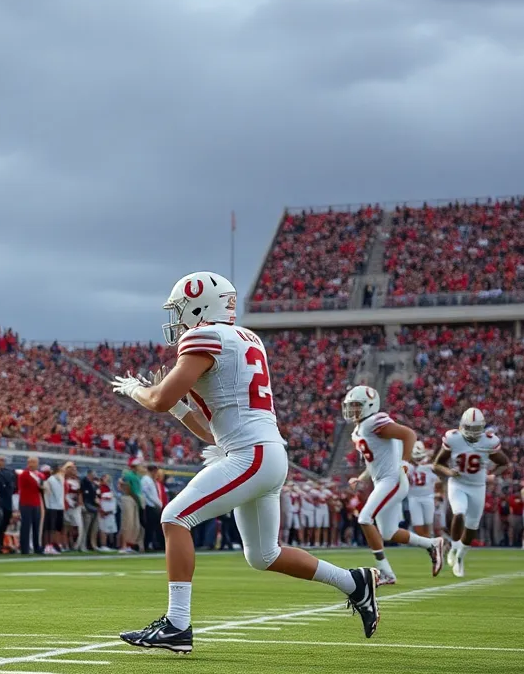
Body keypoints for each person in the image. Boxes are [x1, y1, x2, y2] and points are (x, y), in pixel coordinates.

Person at [112, 271, 379, 652]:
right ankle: (354, 582)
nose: (178, 318)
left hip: (251, 455)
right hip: (263, 453)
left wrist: (136, 388)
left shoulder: (203, 336)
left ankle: (177, 624)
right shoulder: (246, 339)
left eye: (181, 308)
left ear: (201, 303)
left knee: (174, 518)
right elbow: (211, 432)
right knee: (264, 555)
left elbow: (157, 399)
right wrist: (179, 409)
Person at [342, 386, 445, 586]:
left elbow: (409, 434)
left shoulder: (374, 421)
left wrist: (405, 463)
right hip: (382, 480)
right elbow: (374, 463)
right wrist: (361, 478)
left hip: (392, 480)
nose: (353, 410)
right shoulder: (360, 429)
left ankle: (386, 572)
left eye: (357, 406)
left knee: (364, 519)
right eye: (351, 406)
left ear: (370, 405)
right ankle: (432, 544)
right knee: (389, 532)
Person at [433, 408, 510, 577]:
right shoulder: (454, 438)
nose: (472, 433)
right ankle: (453, 548)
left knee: (472, 526)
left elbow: (504, 463)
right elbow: (437, 464)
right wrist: (449, 472)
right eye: (469, 428)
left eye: (476, 429)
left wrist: (492, 475)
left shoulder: (489, 441)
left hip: (477, 486)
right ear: (462, 425)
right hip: (458, 484)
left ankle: (460, 557)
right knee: (459, 513)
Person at [405, 441, 438, 538]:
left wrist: (438, 494)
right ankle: (427, 541)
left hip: (428, 496)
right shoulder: (408, 467)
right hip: (413, 497)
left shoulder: (429, 467)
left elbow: (438, 481)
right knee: (417, 524)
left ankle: (430, 540)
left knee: (429, 522)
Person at [16, 455, 44, 554]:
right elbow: (22, 489)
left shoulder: (40, 475)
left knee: (36, 526)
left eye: (34, 462)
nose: (32, 464)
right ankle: (24, 548)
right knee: (26, 526)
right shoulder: (24, 474)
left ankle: (37, 547)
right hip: (26, 503)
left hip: (36, 502)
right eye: (30, 462)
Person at [0, 455, 17, 554]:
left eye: (2, 460)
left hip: (7, 502)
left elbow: (13, 487)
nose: (0, 462)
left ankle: (0, 545)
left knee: (3, 525)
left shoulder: (10, 473)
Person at [41, 463, 66, 554]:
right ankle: (48, 546)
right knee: (50, 528)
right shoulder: (50, 480)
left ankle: (55, 545)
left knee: (57, 528)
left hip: (59, 507)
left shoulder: (61, 479)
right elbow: (50, 493)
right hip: (51, 507)